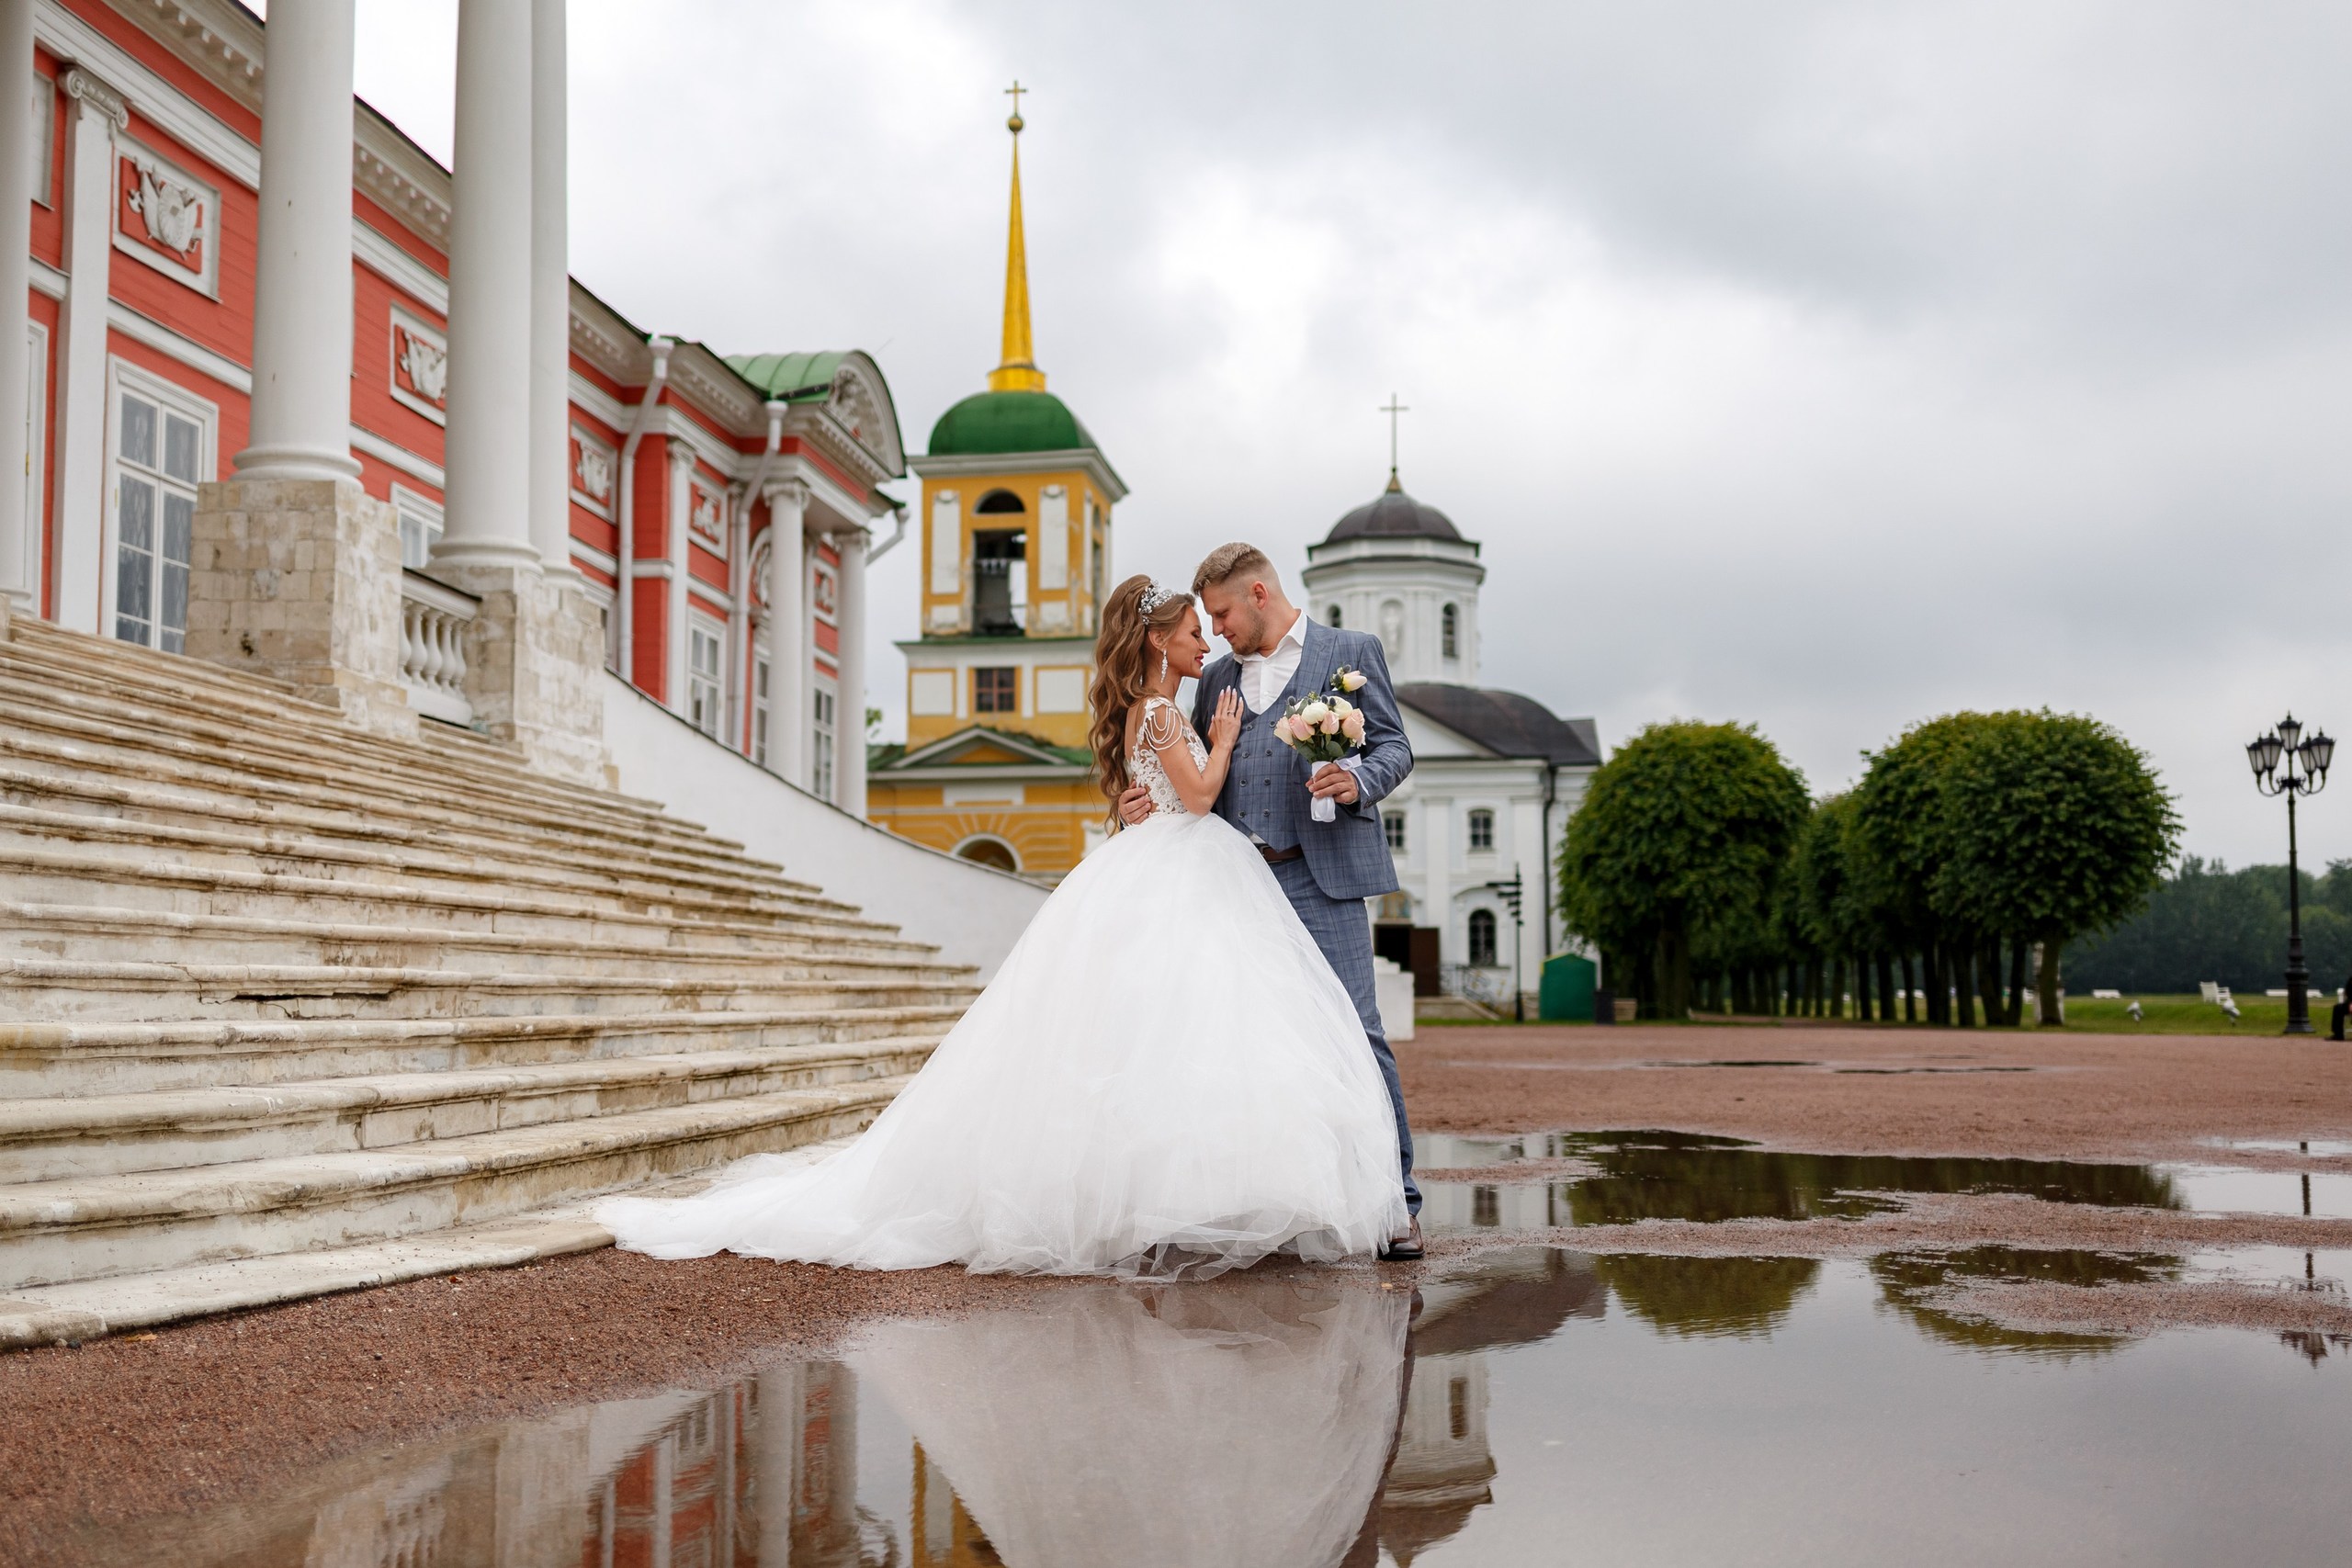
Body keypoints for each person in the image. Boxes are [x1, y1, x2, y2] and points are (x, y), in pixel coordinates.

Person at [596, 574, 1408, 1277]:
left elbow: (1167, 789)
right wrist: (1222, 742)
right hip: (1189, 867)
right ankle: (1172, 1206)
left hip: (1199, 868)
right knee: (1174, 1039)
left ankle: (1200, 1201)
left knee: (1182, 1039)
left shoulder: (1164, 702)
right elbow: (1196, 795)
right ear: (1161, 640)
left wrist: (1152, 797)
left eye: (1212, 625)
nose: (1209, 640)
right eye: (1196, 629)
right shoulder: (1173, 705)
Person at [1117, 543, 1423, 1260]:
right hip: (1236, 884)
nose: (1215, 629)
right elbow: (1190, 773)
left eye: (1221, 613)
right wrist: (1144, 807)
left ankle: (1398, 1205)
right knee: (1244, 1045)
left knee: (1359, 1036)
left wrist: (1358, 781)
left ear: (1258, 593)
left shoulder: (1350, 651)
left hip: (1321, 877)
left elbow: (1396, 748)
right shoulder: (1216, 675)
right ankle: (1272, 1206)